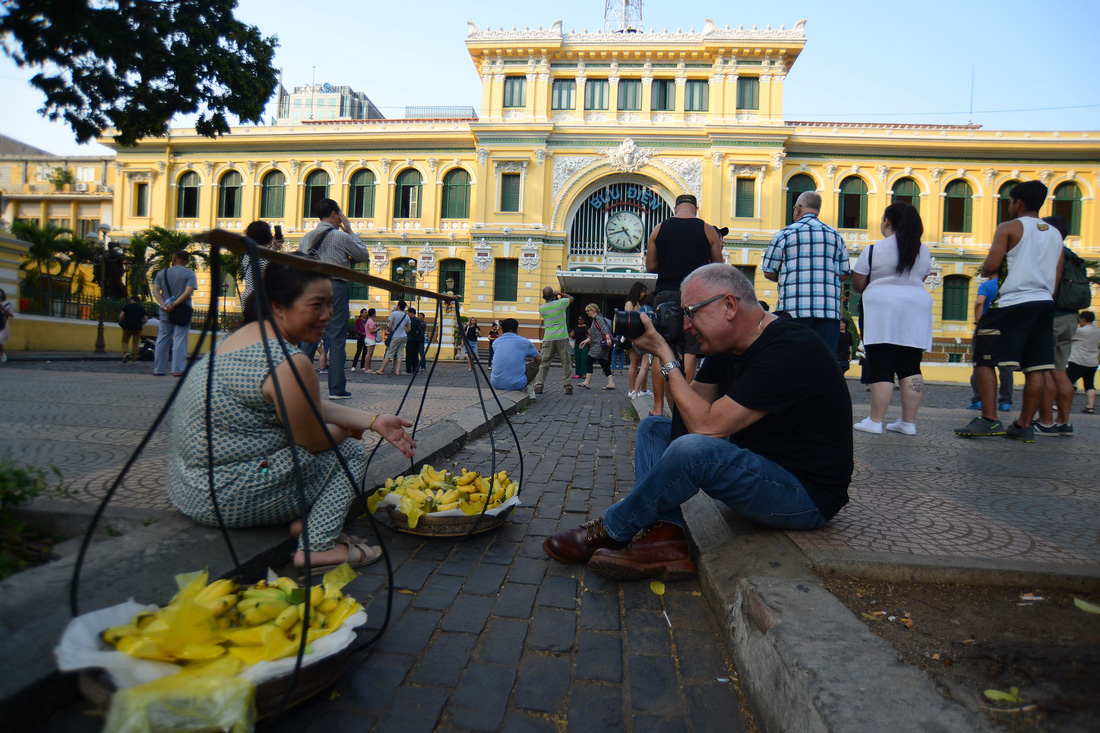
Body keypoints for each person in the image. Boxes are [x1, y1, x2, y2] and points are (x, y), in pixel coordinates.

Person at [543, 264, 853, 581]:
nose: (687, 325)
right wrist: (670, 353)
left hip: (805, 496)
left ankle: (613, 528)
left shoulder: (789, 348)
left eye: (691, 313)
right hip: (759, 461)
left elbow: (705, 429)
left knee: (696, 450)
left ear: (729, 305)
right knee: (653, 429)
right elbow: (687, 414)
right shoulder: (726, 346)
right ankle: (666, 539)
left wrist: (667, 357)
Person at [166, 262, 416, 574]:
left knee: (335, 442)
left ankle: (309, 525)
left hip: (191, 488)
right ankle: (318, 547)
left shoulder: (239, 339)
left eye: (330, 304)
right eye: (316, 305)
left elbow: (303, 405)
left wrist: (373, 420)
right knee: (348, 452)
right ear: (279, 307)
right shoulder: (289, 362)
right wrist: (349, 431)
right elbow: (312, 439)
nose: (328, 315)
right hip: (228, 499)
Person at [955, 181, 1064, 442]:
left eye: (1010, 201)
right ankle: (1024, 425)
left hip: (1012, 301)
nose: (1008, 205)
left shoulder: (1008, 228)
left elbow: (990, 267)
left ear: (1019, 203)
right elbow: (1056, 278)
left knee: (984, 357)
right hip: (1043, 303)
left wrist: (986, 268)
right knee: (1036, 366)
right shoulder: (1055, 234)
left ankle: (990, 420)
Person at [850, 202, 933, 435]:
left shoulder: (874, 249)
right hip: (916, 308)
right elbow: (923, 277)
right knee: (911, 365)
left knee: (882, 364)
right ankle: (908, 423)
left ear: (887, 222)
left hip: (881, 308)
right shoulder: (923, 251)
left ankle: (875, 421)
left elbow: (858, 284)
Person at [646, 194, 724, 416]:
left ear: (675, 209)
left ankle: (658, 407)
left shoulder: (659, 228)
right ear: (696, 209)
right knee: (689, 352)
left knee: (662, 351)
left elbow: (651, 266)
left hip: (666, 294)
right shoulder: (707, 229)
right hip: (695, 296)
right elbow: (718, 265)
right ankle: (685, 410)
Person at [297, 198, 370, 400]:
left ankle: (297, 385)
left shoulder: (307, 238)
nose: (341, 219)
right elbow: (363, 255)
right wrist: (351, 231)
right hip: (336, 287)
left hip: (312, 288)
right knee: (336, 337)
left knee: (309, 337)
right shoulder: (340, 237)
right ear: (334, 214)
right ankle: (337, 389)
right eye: (340, 215)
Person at [762, 191, 851, 355]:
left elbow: (768, 271)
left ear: (798, 209)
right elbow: (844, 273)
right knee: (824, 363)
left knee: (793, 361)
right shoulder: (835, 236)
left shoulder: (784, 234)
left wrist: (787, 275)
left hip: (793, 310)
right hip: (827, 312)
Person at [1033, 215, 1079, 437]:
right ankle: (1064, 422)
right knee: (1060, 371)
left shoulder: (1051, 252)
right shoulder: (1073, 256)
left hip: (1051, 316)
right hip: (1070, 318)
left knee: (1043, 371)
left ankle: (1046, 422)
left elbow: (1051, 281)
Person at [967, 276, 1014, 412]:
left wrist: (978, 323)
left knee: (981, 365)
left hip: (987, 329)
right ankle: (1005, 402)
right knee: (1005, 368)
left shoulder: (987, 286)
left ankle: (978, 399)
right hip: (1006, 330)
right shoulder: (1010, 284)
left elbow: (979, 302)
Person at [151, 249, 197, 377]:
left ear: (174, 258)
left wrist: (164, 304)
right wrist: (174, 304)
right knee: (180, 338)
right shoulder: (190, 274)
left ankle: (159, 369)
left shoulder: (162, 273)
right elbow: (187, 292)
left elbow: (155, 291)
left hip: (165, 310)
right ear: (187, 261)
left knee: (163, 338)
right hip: (182, 310)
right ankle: (177, 369)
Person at [533, 287, 575, 395]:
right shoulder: (561, 303)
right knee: (566, 362)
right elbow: (571, 298)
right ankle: (568, 386)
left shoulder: (542, 309)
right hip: (562, 337)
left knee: (544, 363)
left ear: (544, 297)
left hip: (548, 338)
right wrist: (560, 293)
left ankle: (538, 385)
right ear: (553, 295)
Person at [489, 318, 542, 398]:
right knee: (534, 366)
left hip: (496, 383)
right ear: (517, 329)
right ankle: (528, 386)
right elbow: (539, 358)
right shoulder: (525, 342)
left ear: (502, 330)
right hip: (517, 385)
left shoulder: (496, 342)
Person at [240, 220, 284, 303]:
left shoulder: (248, 253)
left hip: (248, 297)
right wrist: (275, 248)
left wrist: (274, 248)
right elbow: (267, 266)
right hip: (261, 298)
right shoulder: (262, 254)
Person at [1067, 311, 1099, 414]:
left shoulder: (1080, 331)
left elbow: (1067, 338)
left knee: (1067, 383)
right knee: (1089, 385)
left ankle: (1061, 405)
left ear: (1083, 319)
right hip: (1092, 363)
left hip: (1078, 361)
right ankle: (1090, 407)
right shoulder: (1098, 331)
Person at [579, 303, 616, 390]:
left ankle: (587, 382)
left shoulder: (598, 318)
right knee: (604, 364)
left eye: (588, 311)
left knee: (589, 360)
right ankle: (611, 383)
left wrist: (608, 339)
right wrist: (584, 342)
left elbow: (604, 329)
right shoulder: (596, 319)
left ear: (593, 310)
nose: (587, 313)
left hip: (599, 345)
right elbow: (595, 335)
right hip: (600, 345)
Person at [623, 281, 649, 397]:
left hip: (640, 336)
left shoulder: (638, 304)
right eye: (642, 291)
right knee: (634, 363)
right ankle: (632, 389)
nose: (643, 294)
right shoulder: (630, 303)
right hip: (633, 337)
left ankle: (643, 389)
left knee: (643, 364)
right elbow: (629, 321)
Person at [373, 300, 411, 376]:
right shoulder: (406, 316)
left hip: (395, 336)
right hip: (404, 337)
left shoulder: (393, 314)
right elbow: (409, 329)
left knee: (389, 354)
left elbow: (390, 325)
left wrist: (390, 332)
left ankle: (381, 370)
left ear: (398, 306)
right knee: (400, 354)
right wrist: (404, 331)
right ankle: (398, 370)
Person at [118, 295, 149, 364]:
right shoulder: (142, 308)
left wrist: (121, 322)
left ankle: (126, 353)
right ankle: (134, 360)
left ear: (132, 300)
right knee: (135, 344)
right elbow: (146, 320)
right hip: (138, 327)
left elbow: (121, 316)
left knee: (124, 342)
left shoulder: (127, 306)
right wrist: (142, 324)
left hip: (127, 327)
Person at [405, 307, 423, 374]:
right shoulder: (417, 320)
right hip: (417, 339)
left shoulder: (411, 321)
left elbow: (409, 329)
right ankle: (415, 369)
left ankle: (408, 369)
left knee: (409, 355)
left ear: (411, 313)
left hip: (410, 339)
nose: (408, 314)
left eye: (408, 313)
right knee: (415, 355)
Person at [571, 315, 589, 379]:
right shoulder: (576, 328)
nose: (580, 320)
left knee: (583, 358)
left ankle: (583, 373)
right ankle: (578, 373)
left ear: (584, 320)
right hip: (577, 344)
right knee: (578, 358)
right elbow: (572, 335)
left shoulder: (586, 327)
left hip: (585, 344)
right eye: (579, 319)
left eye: (581, 319)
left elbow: (589, 336)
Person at [0, 288, 13, 364]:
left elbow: (11, 314)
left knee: (0, 340)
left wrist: (4, 309)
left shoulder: (7, 304)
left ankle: (3, 354)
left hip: (3, 324)